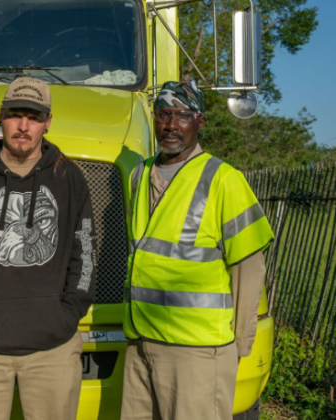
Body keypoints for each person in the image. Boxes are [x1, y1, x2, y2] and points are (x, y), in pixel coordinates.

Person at [0, 77, 97, 420]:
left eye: (34, 117)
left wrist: (66, 317)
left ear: (48, 122)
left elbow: (84, 256)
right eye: (15, 115)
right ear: (1, 116)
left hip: (53, 349)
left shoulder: (70, 178)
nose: (23, 126)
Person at [121, 80, 275, 420]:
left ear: (200, 122)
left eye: (183, 115)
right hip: (141, 342)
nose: (171, 125)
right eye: (163, 114)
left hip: (197, 351)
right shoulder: (139, 175)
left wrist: (240, 346)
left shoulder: (224, 180)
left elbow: (249, 271)